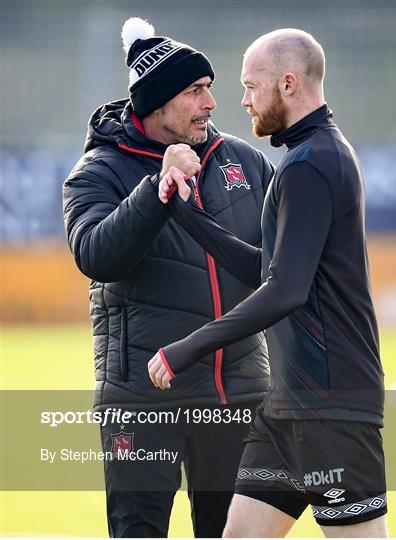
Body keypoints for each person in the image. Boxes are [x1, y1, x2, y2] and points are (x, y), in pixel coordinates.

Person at [148, 28, 388, 538]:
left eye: (250, 86)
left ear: (287, 83)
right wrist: (187, 214)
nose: (242, 100)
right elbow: (269, 269)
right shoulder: (303, 159)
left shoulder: (313, 163)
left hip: (333, 410)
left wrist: (186, 349)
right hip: (286, 411)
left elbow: (285, 290)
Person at [63, 17, 273, 538]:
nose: (211, 103)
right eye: (195, 91)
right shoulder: (97, 172)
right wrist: (157, 188)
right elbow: (96, 255)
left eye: (210, 89)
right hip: (141, 400)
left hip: (239, 395)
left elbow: (282, 265)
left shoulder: (243, 161)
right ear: (155, 104)